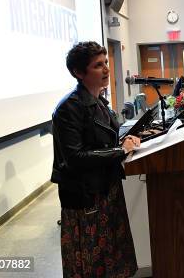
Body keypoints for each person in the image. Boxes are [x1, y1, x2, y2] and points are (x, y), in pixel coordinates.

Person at [52, 41, 139, 278]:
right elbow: (75, 157)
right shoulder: (68, 108)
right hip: (85, 196)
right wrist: (120, 151)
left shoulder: (99, 100)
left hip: (106, 187)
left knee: (112, 256)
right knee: (91, 262)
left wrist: (127, 139)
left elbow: (106, 137)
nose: (106, 70)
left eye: (106, 63)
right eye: (98, 65)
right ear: (79, 73)